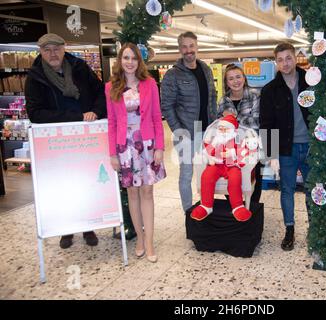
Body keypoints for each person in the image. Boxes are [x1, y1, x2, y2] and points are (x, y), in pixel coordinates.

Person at [25, 33, 106, 249]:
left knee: (87, 181)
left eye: (56, 49)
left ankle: (89, 225)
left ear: (64, 48)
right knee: (64, 184)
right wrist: (77, 117)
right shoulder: (35, 76)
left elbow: (101, 92)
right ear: (41, 52)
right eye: (47, 49)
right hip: (56, 144)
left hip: (85, 139)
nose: (52, 53)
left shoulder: (80, 68)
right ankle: (66, 229)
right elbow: (35, 113)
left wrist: (96, 112)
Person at [106, 43, 166, 262]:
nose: (129, 62)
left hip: (147, 144)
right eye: (126, 58)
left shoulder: (150, 84)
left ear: (139, 61)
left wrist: (160, 147)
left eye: (133, 58)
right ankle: (139, 238)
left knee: (147, 192)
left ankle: (149, 242)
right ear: (120, 61)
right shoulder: (111, 87)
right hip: (125, 146)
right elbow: (112, 122)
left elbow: (157, 117)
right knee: (132, 192)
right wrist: (113, 153)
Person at [260, 42, 311, 251]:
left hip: (311, 147)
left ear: (295, 58)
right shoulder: (270, 90)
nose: (285, 63)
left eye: (288, 58)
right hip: (285, 149)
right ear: (276, 62)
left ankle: (314, 228)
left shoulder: (310, 82)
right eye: (280, 60)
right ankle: (289, 230)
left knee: (312, 189)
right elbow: (266, 123)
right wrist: (271, 154)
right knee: (287, 190)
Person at [161, 31, 217, 213]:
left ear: (196, 46)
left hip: (207, 132)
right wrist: (178, 131)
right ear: (180, 49)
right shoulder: (172, 75)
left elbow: (213, 98)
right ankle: (188, 213)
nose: (188, 50)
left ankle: (206, 206)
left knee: (207, 172)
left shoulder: (206, 70)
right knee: (186, 174)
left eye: (191, 46)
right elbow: (167, 107)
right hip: (186, 133)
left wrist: (215, 125)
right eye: (184, 47)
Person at [191, 114, 253, 222]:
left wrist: (232, 153)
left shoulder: (238, 139)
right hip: (217, 164)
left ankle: (237, 206)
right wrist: (210, 157)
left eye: (226, 129)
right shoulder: (216, 140)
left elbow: (245, 151)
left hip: (232, 165)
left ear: (232, 130)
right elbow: (207, 151)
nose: (223, 131)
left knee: (235, 178)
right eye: (221, 129)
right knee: (207, 176)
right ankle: (206, 206)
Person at [217, 64, 262, 204]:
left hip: (252, 146)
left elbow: (255, 124)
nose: (235, 81)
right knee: (230, 179)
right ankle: (236, 205)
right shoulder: (223, 101)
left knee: (254, 180)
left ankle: (252, 208)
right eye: (231, 78)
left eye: (238, 76)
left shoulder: (255, 95)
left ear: (244, 78)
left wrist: (231, 119)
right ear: (226, 82)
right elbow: (220, 127)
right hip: (230, 150)